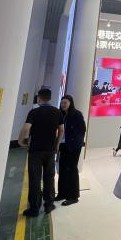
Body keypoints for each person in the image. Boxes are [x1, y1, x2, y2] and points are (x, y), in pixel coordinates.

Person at [18, 88, 64, 217]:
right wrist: (57, 145)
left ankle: (34, 208)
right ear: (50, 98)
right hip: (50, 150)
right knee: (49, 177)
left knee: (35, 179)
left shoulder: (34, 112)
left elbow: (26, 128)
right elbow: (61, 130)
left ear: (39, 98)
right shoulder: (57, 112)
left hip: (35, 150)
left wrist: (21, 141)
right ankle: (49, 204)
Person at [56, 95, 86, 206]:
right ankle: (62, 193)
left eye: (65, 102)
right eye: (62, 102)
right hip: (63, 145)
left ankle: (73, 196)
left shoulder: (77, 114)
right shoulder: (62, 114)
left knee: (72, 169)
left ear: (70, 103)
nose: (63, 104)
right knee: (62, 169)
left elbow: (82, 130)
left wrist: (76, 144)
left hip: (73, 147)